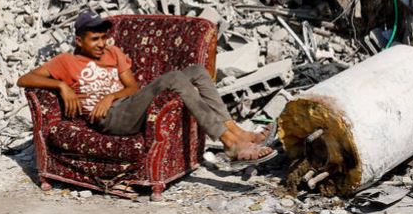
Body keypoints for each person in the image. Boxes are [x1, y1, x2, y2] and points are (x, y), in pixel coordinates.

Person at [17, 11, 276, 169]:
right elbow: (24, 79)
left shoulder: (113, 53)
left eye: (103, 37)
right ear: (79, 40)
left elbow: (132, 86)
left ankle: (238, 133)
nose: (101, 43)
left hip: (126, 106)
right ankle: (230, 144)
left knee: (197, 71)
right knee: (174, 77)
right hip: (110, 120)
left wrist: (110, 96)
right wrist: (61, 85)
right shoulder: (66, 62)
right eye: (94, 39)